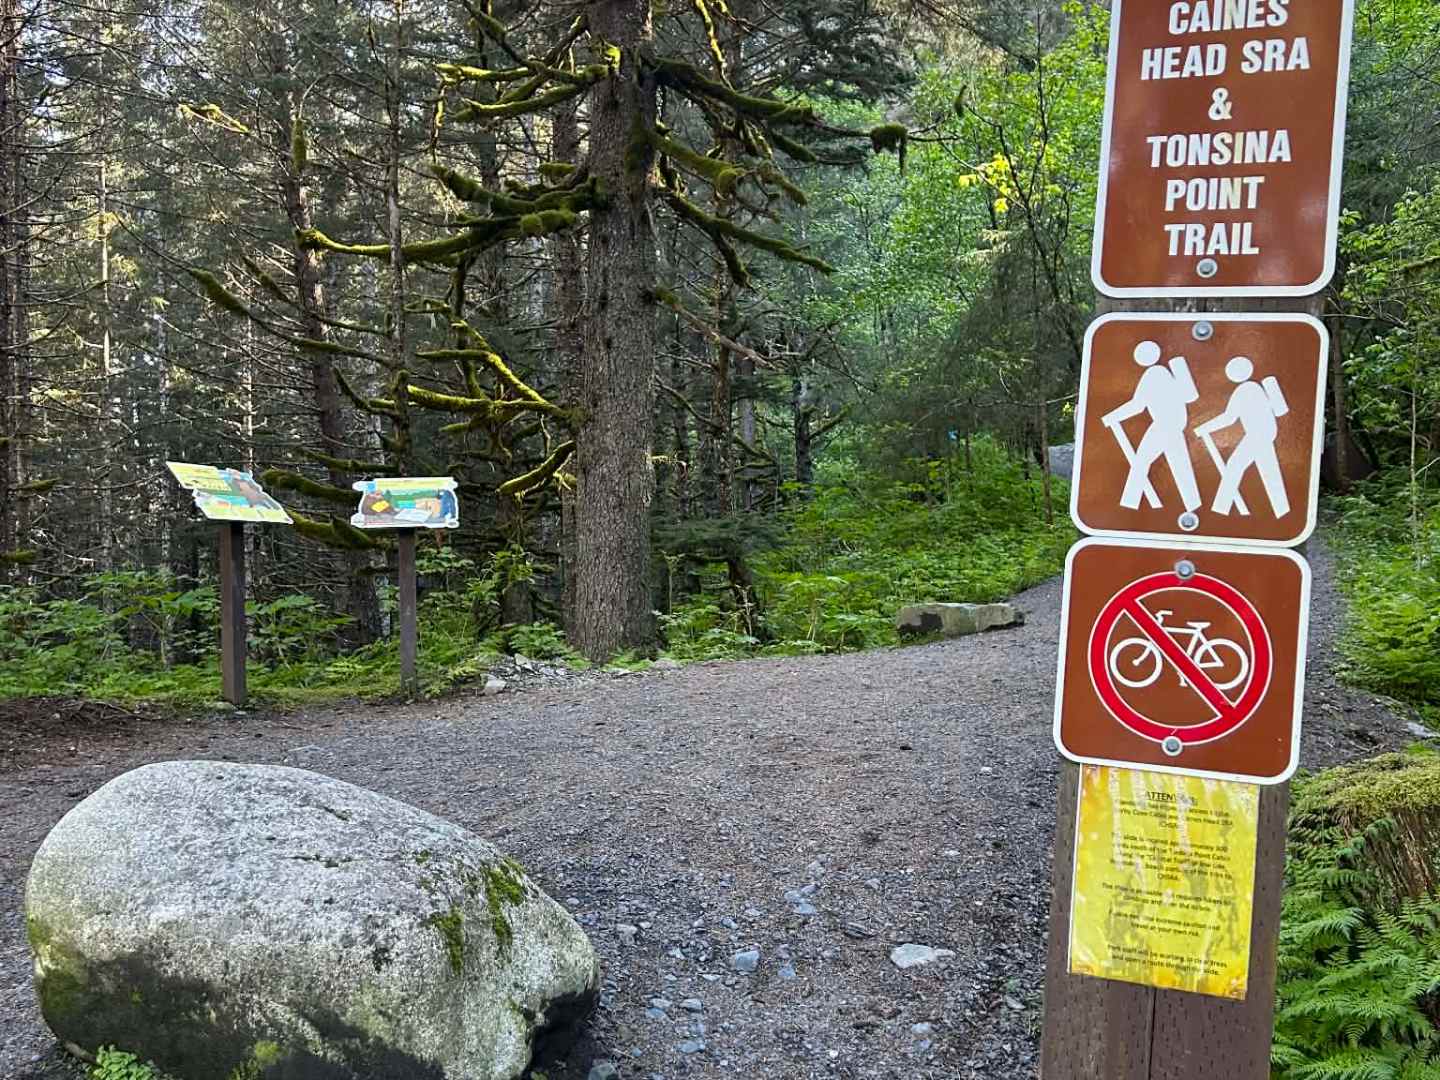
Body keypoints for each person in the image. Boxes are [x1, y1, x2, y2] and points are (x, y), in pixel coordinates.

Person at [1100, 340, 1202, 512]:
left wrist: (1110, 417)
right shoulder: (1164, 373)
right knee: (1180, 465)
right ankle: (1194, 506)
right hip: (1175, 425)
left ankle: (1129, 506)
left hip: (1164, 426)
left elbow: (1138, 405)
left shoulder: (1153, 374)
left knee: (1141, 462)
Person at [1194, 356, 1290, 518]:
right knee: (1270, 472)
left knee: (1234, 466)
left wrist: (1203, 428)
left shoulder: (1245, 390)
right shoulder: (1255, 387)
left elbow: (1229, 417)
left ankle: (1220, 510)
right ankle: (1282, 512)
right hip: (1265, 433)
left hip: (1257, 435)